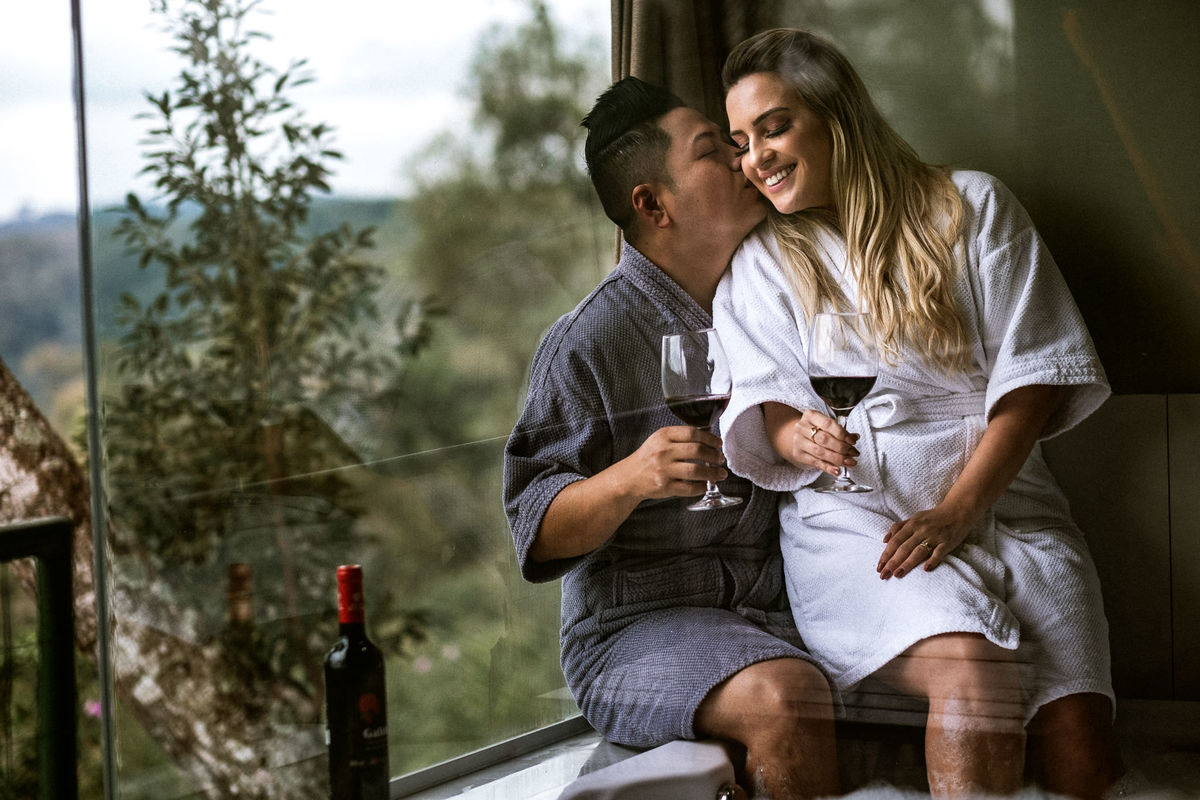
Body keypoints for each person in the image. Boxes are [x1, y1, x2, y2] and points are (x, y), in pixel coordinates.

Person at [714, 28, 1123, 799]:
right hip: (859, 526)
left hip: (1005, 506)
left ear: (837, 117)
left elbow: (1032, 381)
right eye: (740, 142)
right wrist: (794, 434)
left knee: (1081, 751)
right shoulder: (765, 260)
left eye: (774, 127)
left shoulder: (972, 206)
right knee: (974, 670)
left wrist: (960, 511)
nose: (754, 158)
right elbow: (762, 405)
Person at [502, 76, 840, 798]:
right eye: (713, 151)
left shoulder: (768, 296)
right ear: (653, 205)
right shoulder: (587, 340)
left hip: (774, 604)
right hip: (633, 634)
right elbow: (534, 530)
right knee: (790, 701)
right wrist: (631, 478)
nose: (743, 162)